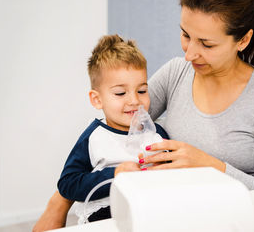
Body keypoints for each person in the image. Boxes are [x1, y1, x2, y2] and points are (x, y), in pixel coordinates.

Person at [33, 0, 254, 231]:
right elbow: (116, 125)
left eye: (206, 44)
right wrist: (57, 203)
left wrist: (210, 166)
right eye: (185, 35)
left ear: (242, 40)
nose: (189, 54)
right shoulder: (177, 73)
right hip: (167, 217)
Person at [55, 34, 169, 223]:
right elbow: (68, 184)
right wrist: (115, 175)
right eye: (120, 93)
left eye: (142, 91)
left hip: (149, 209)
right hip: (106, 214)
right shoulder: (94, 138)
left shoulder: (157, 135)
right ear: (97, 99)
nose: (134, 100)